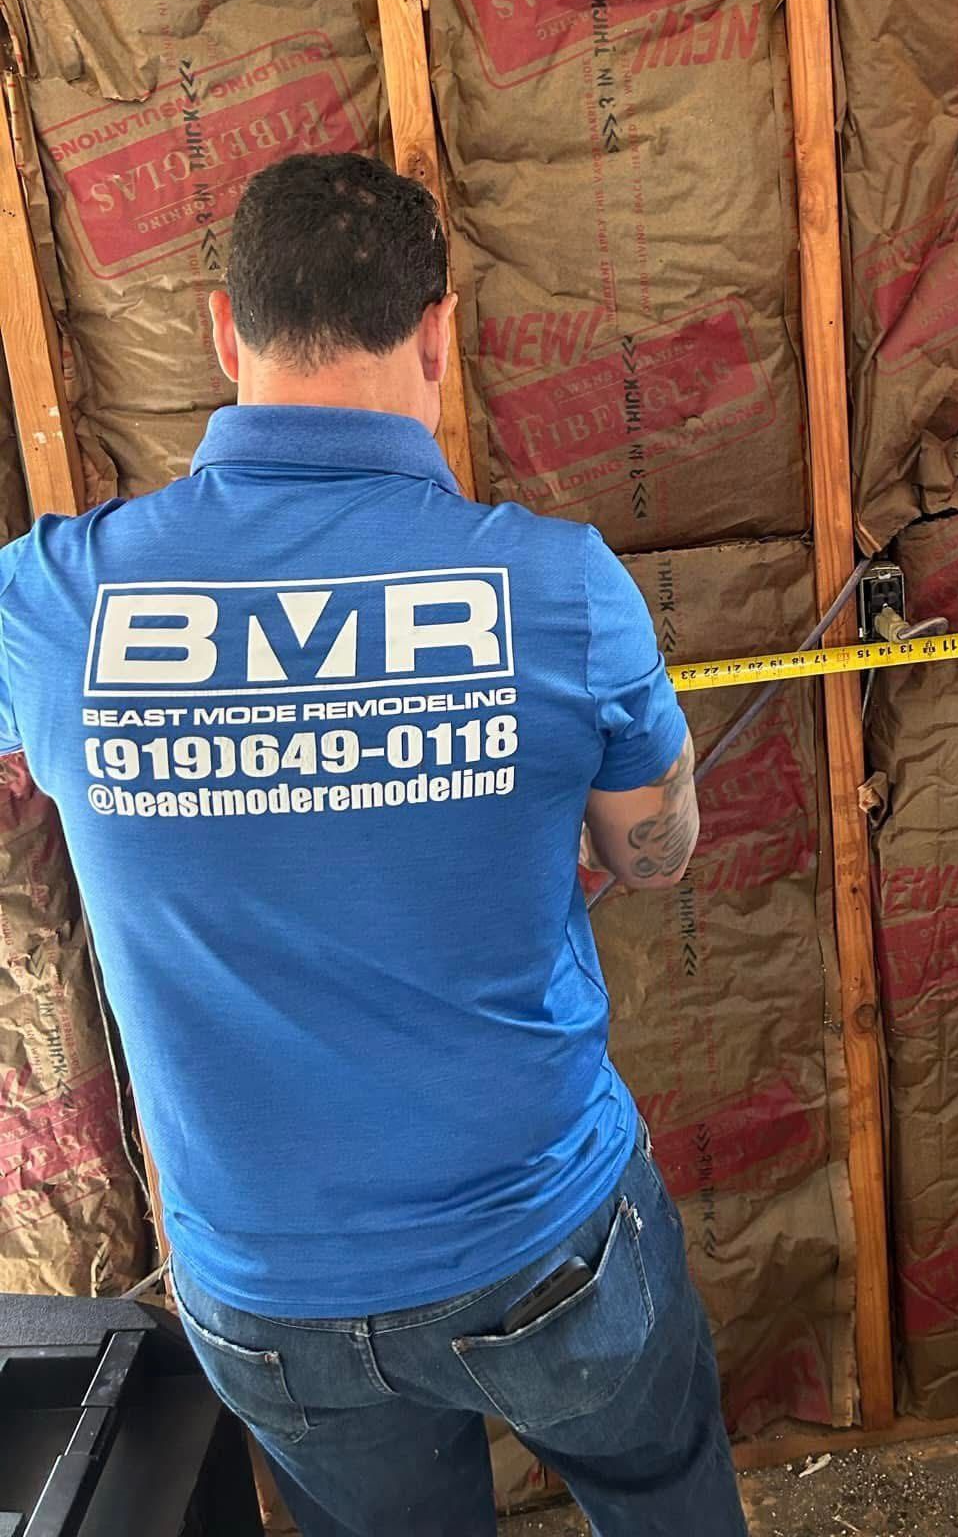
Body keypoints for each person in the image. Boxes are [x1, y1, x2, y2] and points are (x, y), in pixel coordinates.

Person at [0, 152, 748, 1537]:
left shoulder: (54, 604)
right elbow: (657, 852)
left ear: (226, 335)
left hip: (271, 1293)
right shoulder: (559, 583)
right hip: (550, 1249)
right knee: (665, 1504)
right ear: (439, 336)